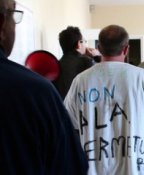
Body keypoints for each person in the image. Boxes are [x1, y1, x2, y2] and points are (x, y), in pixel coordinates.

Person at [64, 24, 144, 175]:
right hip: (137, 168)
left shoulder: (80, 81)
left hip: (95, 169)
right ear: (126, 49)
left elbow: (71, 126)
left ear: (99, 48)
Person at [0, 0, 88, 174]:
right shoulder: (36, 91)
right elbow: (72, 168)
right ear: (2, 23)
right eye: (13, 15)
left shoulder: (55, 67)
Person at [53, 26, 101, 99]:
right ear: (79, 44)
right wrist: (96, 57)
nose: (86, 45)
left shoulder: (56, 64)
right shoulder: (86, 61)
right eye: (85, 42)